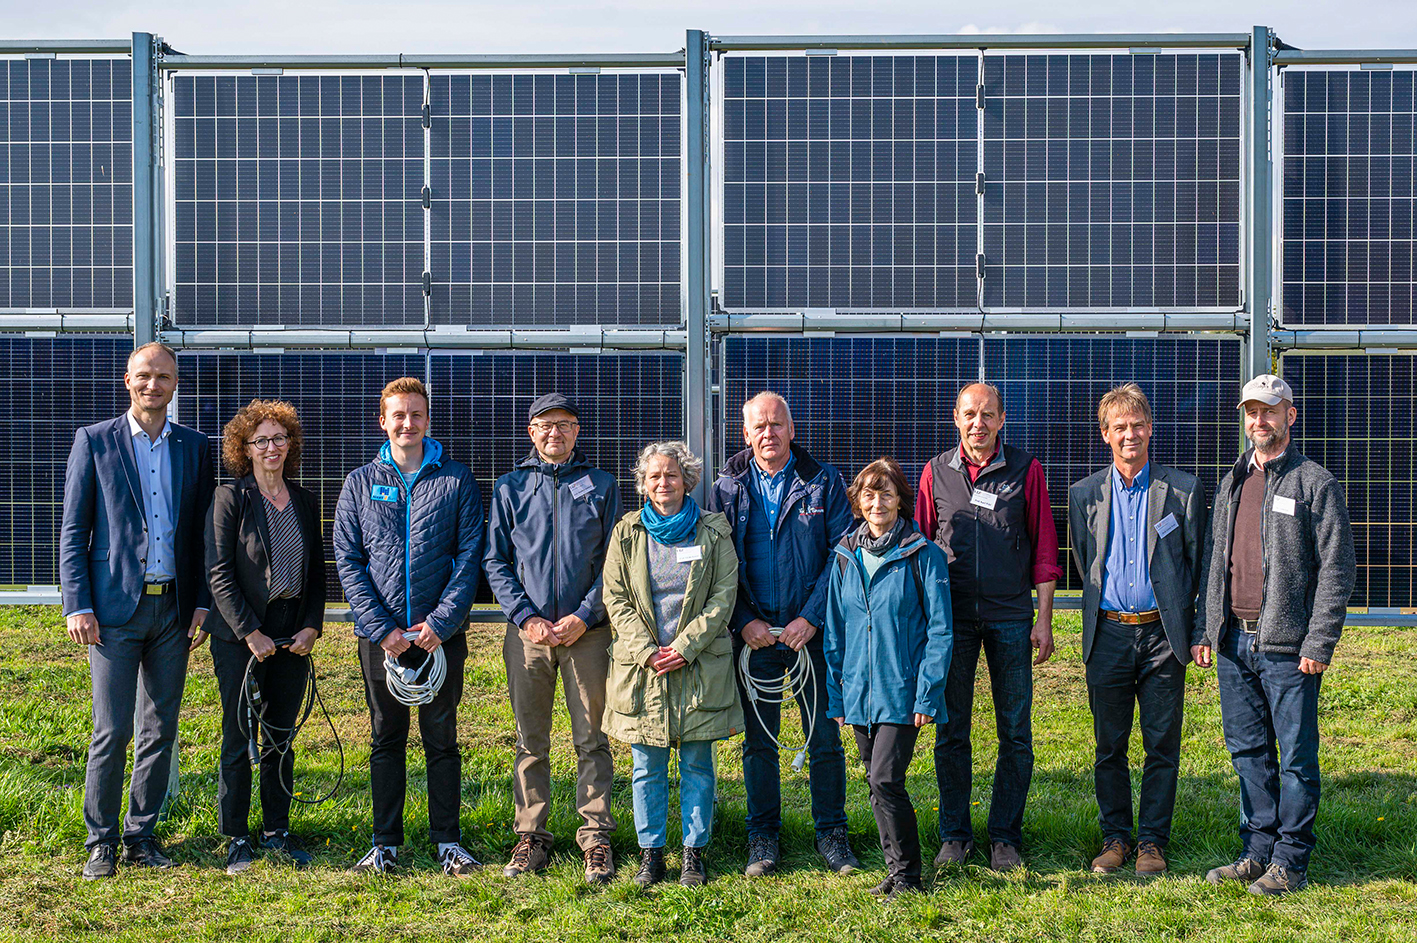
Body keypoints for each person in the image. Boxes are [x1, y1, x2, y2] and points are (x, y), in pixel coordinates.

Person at [60, 342, 215, 880]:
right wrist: (77, 603)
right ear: (128, 380)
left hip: (173, 611)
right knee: (111, 731)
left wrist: (199, 603)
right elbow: (74, 531)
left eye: (164, 377)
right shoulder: (95, 442)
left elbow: (200, 533)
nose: (154, 385)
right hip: (113, 614)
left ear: (175, 384)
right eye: (145, 376)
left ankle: (139, 836)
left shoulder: (195, 448)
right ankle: (99, 841)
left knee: (160, 729)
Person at [1195, 374, 1355, 896]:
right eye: (1250, 412)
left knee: (1297, 759)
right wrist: (1207, 627)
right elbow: (1216, 560)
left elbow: (1337, 570)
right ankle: (1257, 849)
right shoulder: (1232, 481)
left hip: (1288, 649)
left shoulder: (1315, 484)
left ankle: (1290, 859)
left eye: (1268, 411)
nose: (1258, 421)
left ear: (1290, 415)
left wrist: (1319, 642)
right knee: (1248, 753)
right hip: (1234, 644)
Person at [333, 377, 485, 877]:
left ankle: (449, 843)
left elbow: (468, 559)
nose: (407, 423)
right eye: (397, 415)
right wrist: (383, 630)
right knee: (385, 737)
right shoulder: (358, 483)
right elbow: (349, 561)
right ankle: (384, 844)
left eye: (415, 414)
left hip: (439, 637)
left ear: (427, 420)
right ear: (383, 420)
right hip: (383, 639)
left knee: (441, 738)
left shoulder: (456, 480)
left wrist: (440, 624)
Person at [707, 391, 859, 878]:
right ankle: (763, 837)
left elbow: (842, 552)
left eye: (777, 424)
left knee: (823, 739)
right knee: (758, 742)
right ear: (745, 434)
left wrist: (811, 617)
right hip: (753, 635)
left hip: (809, 634)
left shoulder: (823, 482)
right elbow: (716, 564)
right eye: (759, 426)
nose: (768, 433)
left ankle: (832, 833)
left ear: (793, 430)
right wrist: (743, 620)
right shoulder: (726, 488)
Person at [915, 382, 1063, 871]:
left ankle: (1005, 837)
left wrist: (1043, 619)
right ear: (955, 418)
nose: (978, 423)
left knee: (1015, 733)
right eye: (969, 414)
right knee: (951, 731)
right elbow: (917, 547)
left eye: (988, 414)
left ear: (1003, 420)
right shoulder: (934, 472)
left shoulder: (1027, 470)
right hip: (951, 620)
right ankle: (955, 835)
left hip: (1011, 617)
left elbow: (1044, 549)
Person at [1067, 384, 1206, 878]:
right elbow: (1086, 563)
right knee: (1109, 746)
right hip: (1107, 635)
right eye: (1119, 427)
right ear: (1105, 434)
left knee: (1161, 745)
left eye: (1138, 425)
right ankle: (1115, 839)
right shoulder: (1083, 495)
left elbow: (1199, 565)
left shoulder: (1183, 491)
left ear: (1151, 429)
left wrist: (1199, 629)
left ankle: (1151, 843)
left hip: (1162, 638)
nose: (1130, 435)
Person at [484, 393, 622, 884]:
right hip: (529, 637)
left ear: (577, 432)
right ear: (531, 432)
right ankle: (531, 837)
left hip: (588, 636)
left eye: (564, 425)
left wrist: (586, 615)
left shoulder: (603, 487)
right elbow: (495, 561)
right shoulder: (510, 487)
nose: (555, 433)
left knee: (592, 738)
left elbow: (614, 561)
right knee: (530, 739)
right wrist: (525, 617)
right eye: (545, 425)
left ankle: (596, 837)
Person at [601, 441, 741, 887]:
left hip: (698, 666)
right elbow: (615, 595)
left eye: (672, 475)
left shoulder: (713, 530)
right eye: (655, 476)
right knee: (647, 766)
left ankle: (693, 854)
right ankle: (651, 853)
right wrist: (646, 649)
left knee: (699, 764)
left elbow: (723, 596)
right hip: (643, 670)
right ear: (644, 483)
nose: (664, 483)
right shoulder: (626, 532)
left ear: (688, 480)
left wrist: (686, 646)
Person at [204, 399, 327, 875]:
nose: (271, 447)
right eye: (261, 441)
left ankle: (277, 831)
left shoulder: (304, 499)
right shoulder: (230, 497)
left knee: (281, 736)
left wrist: (311, 625)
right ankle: (236, 837)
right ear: (245, 448)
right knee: (238, 738)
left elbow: (317, 572)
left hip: (291, 634)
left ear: (290, 444)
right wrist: (248, 631)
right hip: (239, 636)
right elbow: (218, 573)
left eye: (279, 438)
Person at [824, 458, 952, 900]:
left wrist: (927, 691)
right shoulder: (844, 557)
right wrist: (838, 697)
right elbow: (835, 631)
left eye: (887, 493)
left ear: (901, 500)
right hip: (858, 692)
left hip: (903, 691)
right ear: (858, 502)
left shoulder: (924, 555)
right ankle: (896, 871)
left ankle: (911, 876)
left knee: (885, 780)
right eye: (869, 494)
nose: (878, 502)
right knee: (875, 782)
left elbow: (940, 630)